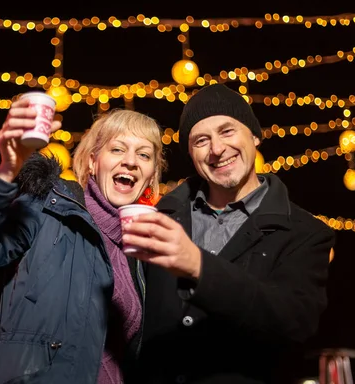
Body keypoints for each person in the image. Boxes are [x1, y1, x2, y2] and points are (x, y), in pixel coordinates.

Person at [0, 95, 166, 384]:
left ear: (151, 175)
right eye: (118, 149)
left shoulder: (145, 252)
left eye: (144, 155)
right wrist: (7, 171)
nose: (131, 161)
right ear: (93, 162)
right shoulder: (48, 208)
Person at [121, 84, 336, 384]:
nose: (217, 149)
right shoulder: (161, 216)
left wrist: (199, 266)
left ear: (255, 136)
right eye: (201, 140)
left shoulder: (305, 233)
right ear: (191, 154)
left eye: (227, 131)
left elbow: (294, 321)